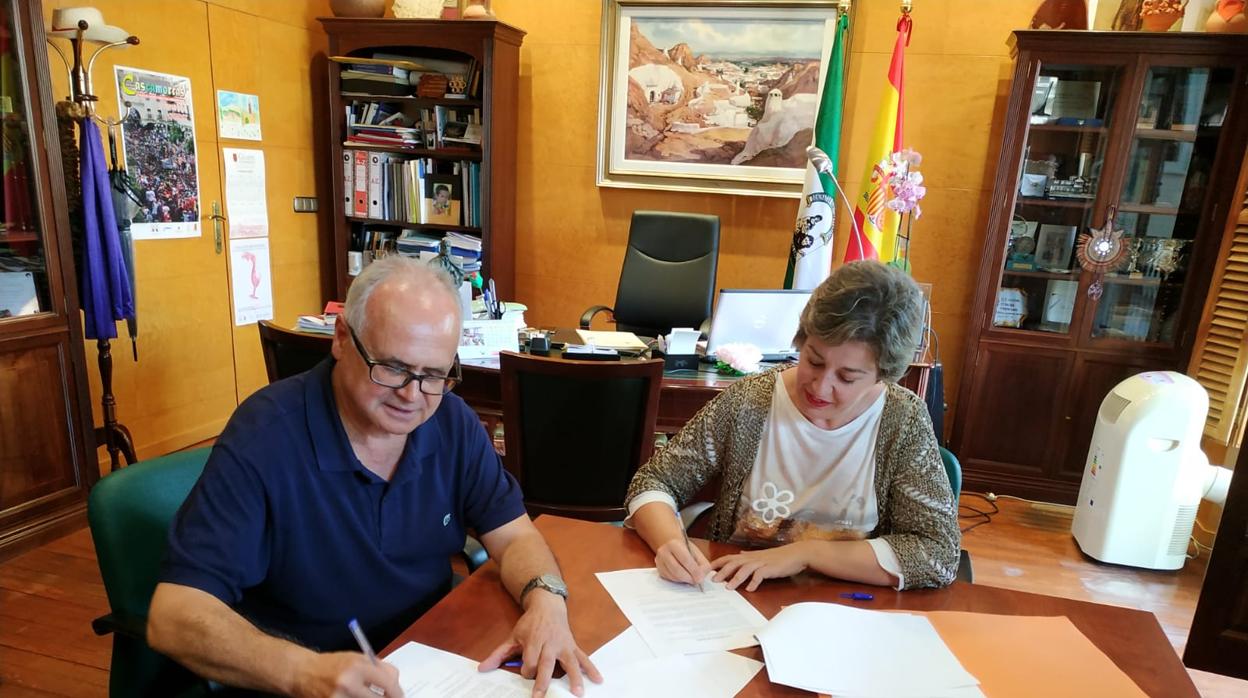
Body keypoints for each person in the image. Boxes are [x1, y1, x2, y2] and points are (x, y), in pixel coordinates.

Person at [148, 257, 601, 698]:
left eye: (434, 375)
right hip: (305, 676)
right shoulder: (265, 437)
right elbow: (174, 614)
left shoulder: (451, 422)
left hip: (429, 656)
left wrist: (546, 601)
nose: (412, 395)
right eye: (393, 368)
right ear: (342, 338)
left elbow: (515, 535)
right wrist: (303, 672)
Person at [625, 260, 959, 593]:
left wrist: (806, 554)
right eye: (814, 360)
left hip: (845, 604)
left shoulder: (903, 419)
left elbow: (938, 554)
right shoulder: (750, 402)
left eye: (847, 377)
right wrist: (669, 542)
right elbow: (654, 481)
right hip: (737, 594)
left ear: (882, 375)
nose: (820, 387)